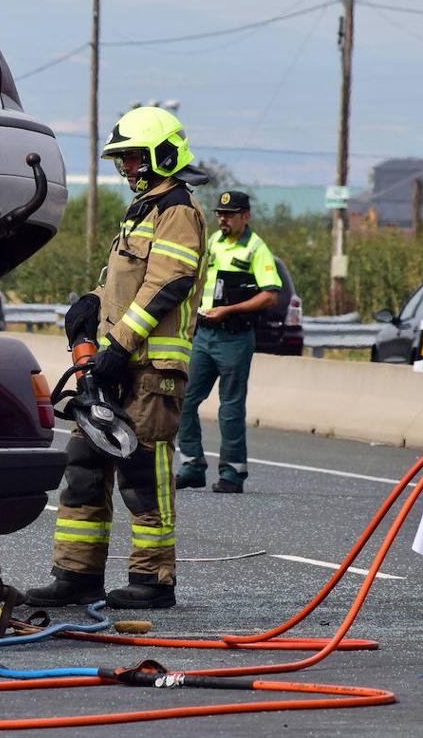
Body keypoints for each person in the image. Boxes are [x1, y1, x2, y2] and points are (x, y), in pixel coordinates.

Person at [23, 106, 207, 610]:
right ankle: (76, 576)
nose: (125, 169)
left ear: (162, 156)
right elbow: (125, 284)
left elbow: (166, 284)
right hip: (113, 367)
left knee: (143, 473)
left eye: (131, 159)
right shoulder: (143, 212)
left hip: (150, 372)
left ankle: (154, 581)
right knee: (83, 465)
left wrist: (121, 344)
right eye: (121, 160)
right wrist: (91, 305)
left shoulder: (178, 211)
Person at [175, 191, 282, 494]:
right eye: (220, 214)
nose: (223, 219)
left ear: (245, 216)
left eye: (230, 214)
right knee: (184, 400)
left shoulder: (255, 248)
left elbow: (270, 294)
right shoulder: (214, 243)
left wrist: (230, 310)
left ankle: (233, 473)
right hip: (204, 334)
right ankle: (192, 465)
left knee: (230, 407)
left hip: (234, 337)